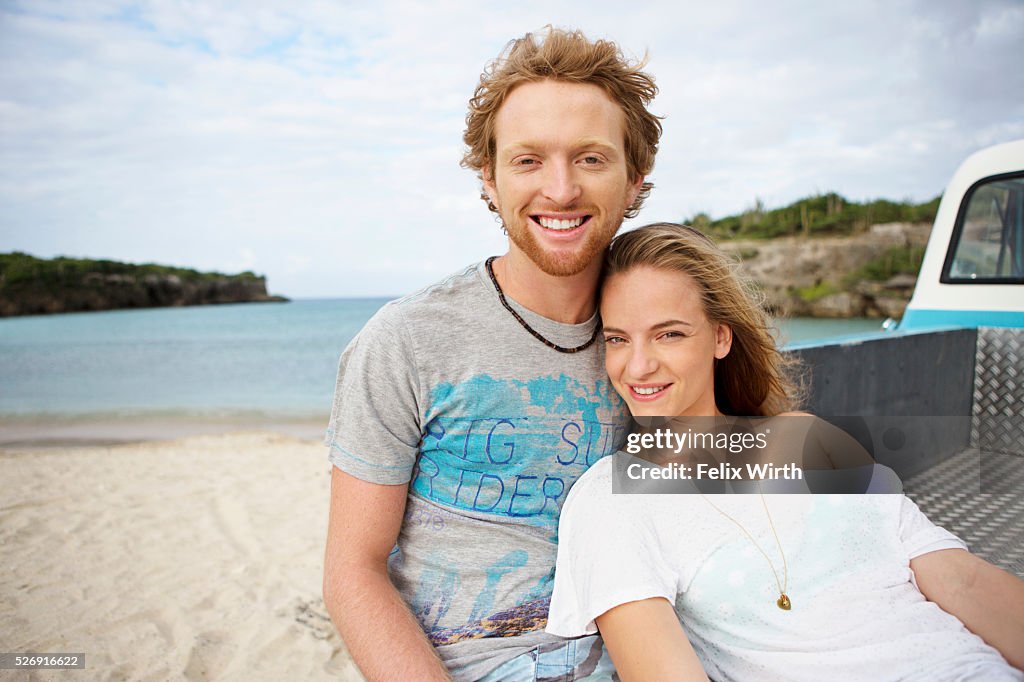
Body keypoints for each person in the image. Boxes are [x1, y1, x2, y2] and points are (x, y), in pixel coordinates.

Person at [322, 28, 662, 681]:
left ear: (634, 178)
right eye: (529, 160)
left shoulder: (658, 337)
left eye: (591, 158)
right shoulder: (407, 339)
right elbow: (352, 573)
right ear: (490, 177)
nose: (560, 190)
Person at [547, 223, 1024, 681]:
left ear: (720, 336)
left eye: (669, 333)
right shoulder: (611, 501)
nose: (639, 366)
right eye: (617, 339)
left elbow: (961, 581)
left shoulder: (810, 438)